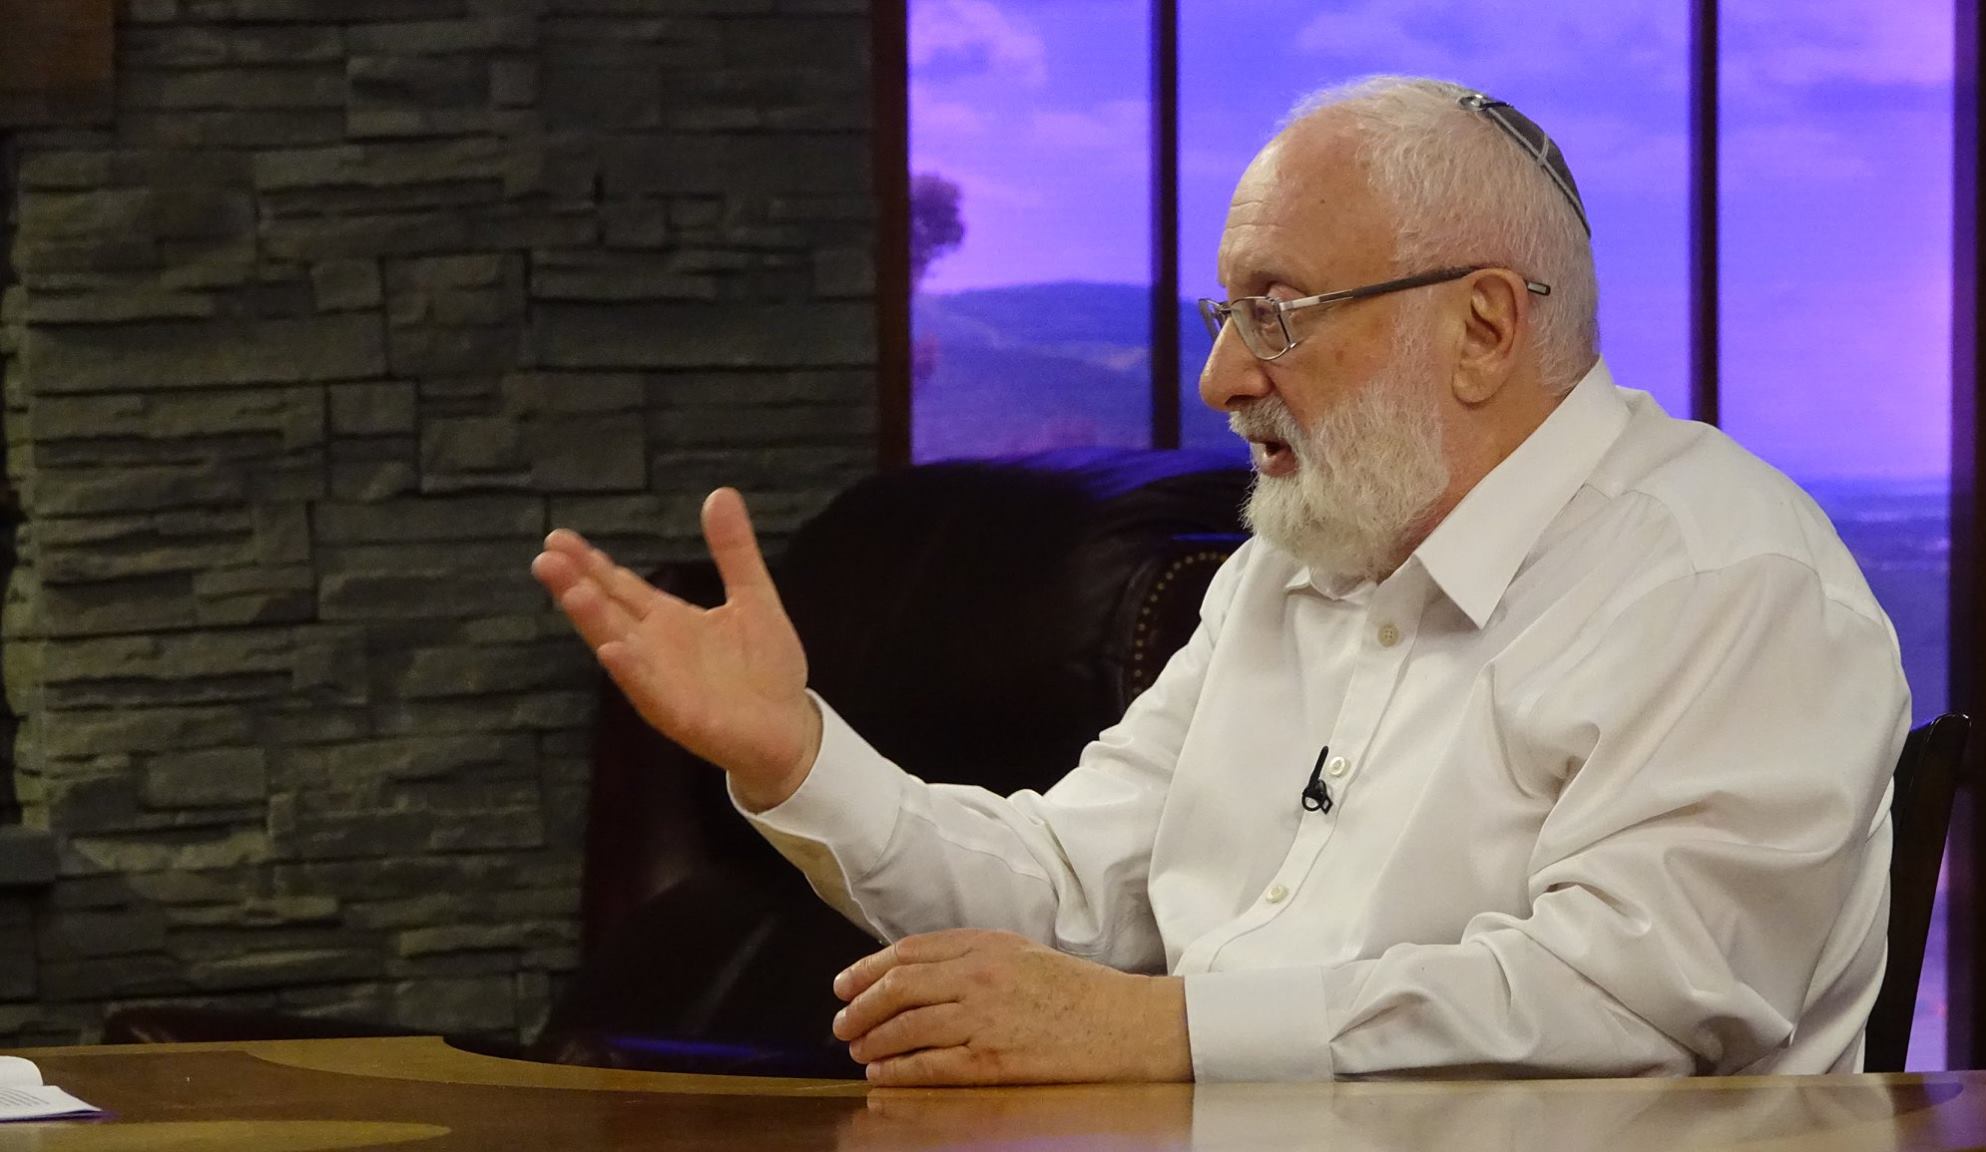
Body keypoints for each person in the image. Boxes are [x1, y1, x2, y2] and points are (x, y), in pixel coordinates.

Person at [531, 76, 1908, 1086]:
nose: (1222, 378)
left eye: (1276, 313)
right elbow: (1068, 896)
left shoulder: (1730, 579)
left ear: (1483, 327)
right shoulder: (1283, 576)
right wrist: (792, 753)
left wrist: (1163, 1033)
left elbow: (1633, 1006)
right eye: (1224, 314)